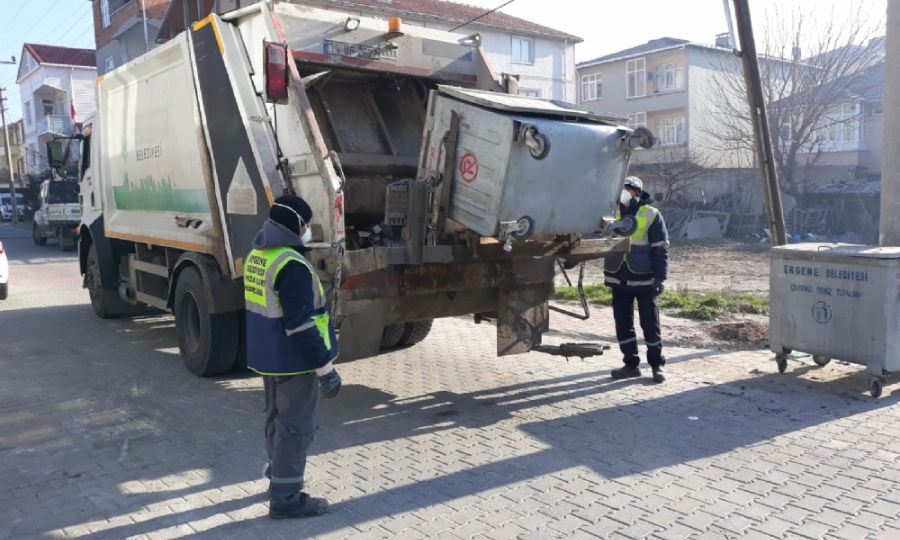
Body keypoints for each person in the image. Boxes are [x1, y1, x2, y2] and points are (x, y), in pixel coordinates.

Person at [244, 195, 342, 519]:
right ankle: (286, 500)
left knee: (277, 421)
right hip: (294, 360)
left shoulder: (259, 254)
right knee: (296, 428)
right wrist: (325, 369)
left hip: (269, 357)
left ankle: (279, 482)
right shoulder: (291, 264)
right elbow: (300, 324)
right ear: (295, 224)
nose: (308, 231)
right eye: (306, 224)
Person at [604, 176, 669, 383]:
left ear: (637, 192)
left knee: (650, 325)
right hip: (618, 277)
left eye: (629, 189)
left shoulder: (651, 214)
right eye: (622, 189)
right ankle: (630, 365)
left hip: (643, 280)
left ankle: (657, 366)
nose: (625, 193)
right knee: (623, 325)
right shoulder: (609, 212)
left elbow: (661, 248)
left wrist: (660, 277)